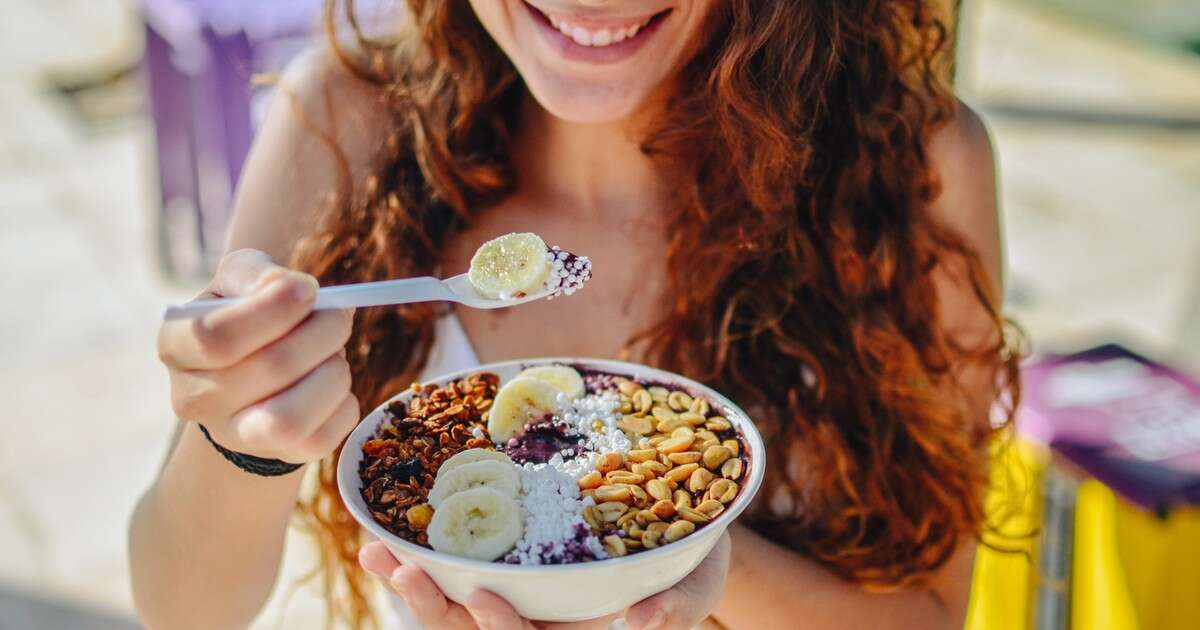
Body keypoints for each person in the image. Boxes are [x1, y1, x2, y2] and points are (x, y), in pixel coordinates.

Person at [130, 0, 1020, 628]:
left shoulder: (914, 168)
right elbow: (183, 609)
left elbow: (928, 615)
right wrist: (239, 433)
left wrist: (679, 557)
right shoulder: (346, 119)